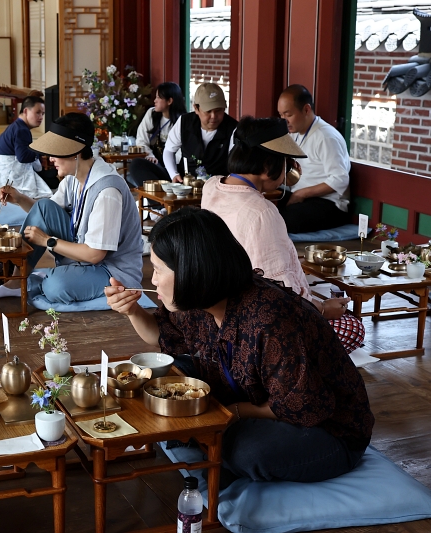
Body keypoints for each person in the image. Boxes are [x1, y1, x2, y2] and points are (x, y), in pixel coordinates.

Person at [105, 207, 373, 484]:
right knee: (168, 374)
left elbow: (300, 405)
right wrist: (132, 310)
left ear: (192, 271)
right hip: (249, 395)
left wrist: (233, 412)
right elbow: (160, 335)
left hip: (325, 429)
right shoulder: (202, 299)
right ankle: (204, 435)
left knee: (246, 451)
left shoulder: (269, 319)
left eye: (159, 270)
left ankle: (210, 440)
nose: (152, 279)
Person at [201, 116, 365, 353]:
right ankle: (285, 364)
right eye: (286, 162)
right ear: (268, 167)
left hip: (219, 304)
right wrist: (321, 308)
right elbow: (278, 289)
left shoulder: (212, 186)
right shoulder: (262, 211)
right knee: (352, 328)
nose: (290, 168)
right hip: (254, 322)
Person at [0, 112, 143, 304]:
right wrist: (19, 198)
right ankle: (16, 282)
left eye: (55, 152)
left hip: (111, 270)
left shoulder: (107, 191)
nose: (50, 159)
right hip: (84, 257)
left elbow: (95, 254)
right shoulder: (73, 178)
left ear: (75, 152)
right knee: (44, 205)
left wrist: (47, 241)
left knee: (55, 287)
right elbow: (44, 213)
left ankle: (50, 279)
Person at [276, 84, 351, 233]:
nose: (284, 121)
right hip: (301, 197)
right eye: (281, 115)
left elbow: (340, 179)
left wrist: (301, 194)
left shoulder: (326, 136)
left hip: (328, 203)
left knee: (280, 220)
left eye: (288, 115)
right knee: (261, 206)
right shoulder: (295, 132)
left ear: (306, 109)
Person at [0, 95, 57, 200]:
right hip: (11, 178)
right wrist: (40, 150)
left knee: (51, 178)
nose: (41, 117)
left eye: (43, 113)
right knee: (54, 183)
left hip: (2, 176)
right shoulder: (22, 130)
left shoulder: (17, 126)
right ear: (26, 111)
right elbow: (23, 157)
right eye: (38, 112)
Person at [163, 82, 237, 182]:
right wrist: (174, 174)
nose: (213, 116)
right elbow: (169, 150)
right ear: (196, 109)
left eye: (218, 110)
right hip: (185, 182)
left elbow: (236, 165)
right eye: (208, 111)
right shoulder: (184, 122)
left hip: (218, 184)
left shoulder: (234, 128)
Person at [127, 82, 187, 188]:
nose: (155, 101)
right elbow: (141, 140)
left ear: (169, 101)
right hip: (157, 164)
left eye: (158, 98)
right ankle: (158, 194)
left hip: (175, 170)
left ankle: (163, 190)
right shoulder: (152, 114)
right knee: (136, 164)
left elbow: (182, 153)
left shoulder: (184, 121)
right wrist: (150, 155)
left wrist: (172, 169)